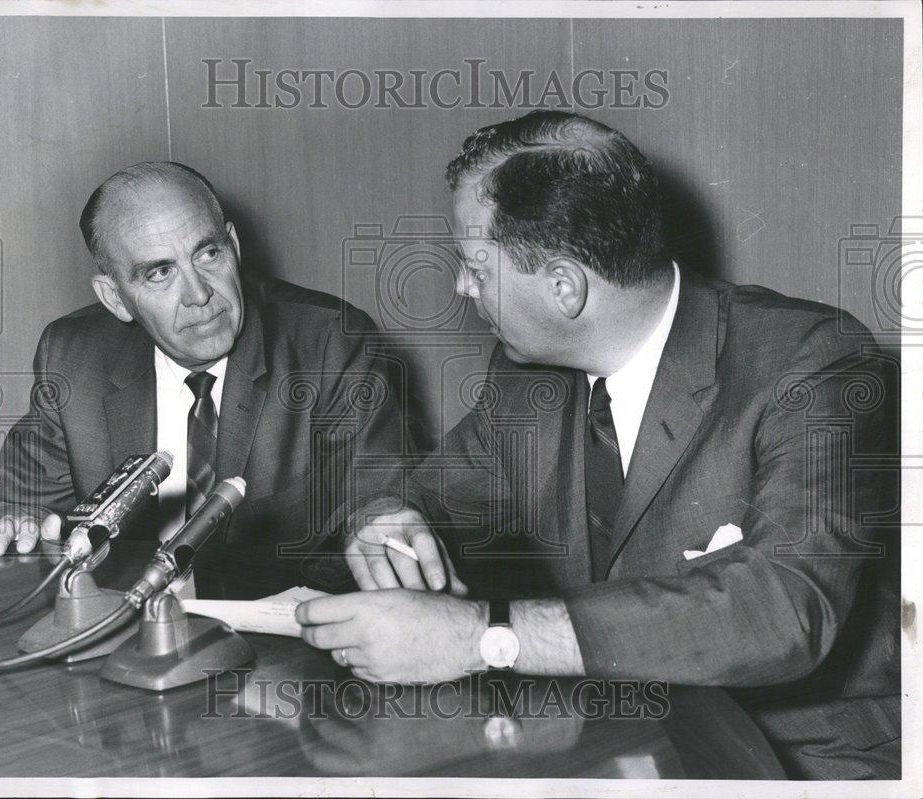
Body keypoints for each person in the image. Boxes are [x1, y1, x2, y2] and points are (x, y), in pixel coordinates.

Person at [295, 111, 900, 778]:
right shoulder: (527, 383)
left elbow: (784, 609)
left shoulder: (810, 363)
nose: (462, 288)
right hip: (614, 739)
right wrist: (380, 514)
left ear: (564, 287)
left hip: (804, 756)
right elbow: (418, 494)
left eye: (473, 266)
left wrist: (483, 636)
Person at [0, 161, 405, 596]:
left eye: (209, 253)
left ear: (234, 246)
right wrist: (15, 522)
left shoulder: (329, 343)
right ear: (116, 298)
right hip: (126, 637)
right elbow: (20, 503)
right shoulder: (73, 358)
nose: (200, 294)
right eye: (160, 272)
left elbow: (382, 512)